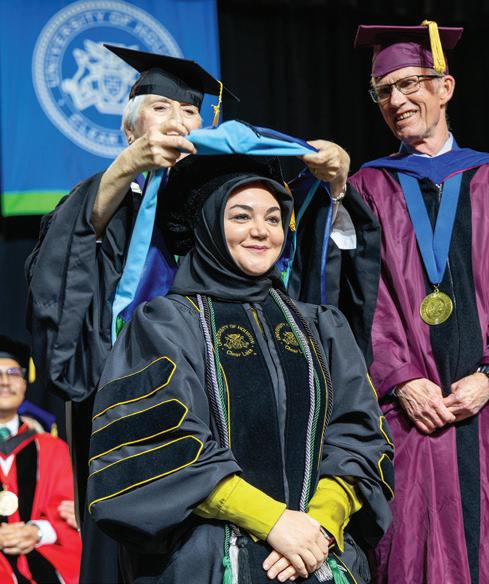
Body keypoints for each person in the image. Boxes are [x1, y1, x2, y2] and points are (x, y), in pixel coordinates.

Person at [25, 46, 349, 582]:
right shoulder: (114, 203)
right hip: (138, 424)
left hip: (233, 412)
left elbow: (296, 276)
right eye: (161, 108)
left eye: (191, 112)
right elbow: (64, 281)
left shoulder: (218, 202)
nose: (178, 122)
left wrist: (330, 187)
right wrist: (127, 167)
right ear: (130, 129)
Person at [300, 21, 489, 584]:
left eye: (409, 84)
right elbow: (357, 300)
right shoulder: (368, 188)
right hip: (410, 413)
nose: (397, 100)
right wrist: (399, 378)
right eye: (383, 91)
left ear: (445, 87)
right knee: (412, 554)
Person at [86, 155, 393, 583]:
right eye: (241, 216)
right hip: (209, 561)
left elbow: (358, 436)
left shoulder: (320, 326)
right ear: (208, 226)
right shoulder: (166, 325)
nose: (261, 231)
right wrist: (273, 521)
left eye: (273, 218)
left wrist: (319, 525)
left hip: (315, 558)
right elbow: (160, 448)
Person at [0, 336, 81, 584]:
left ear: (25, 383)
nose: (5, 381)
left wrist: (37, 531)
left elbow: (66, 514)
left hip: (39, 560)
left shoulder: (52, 448)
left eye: (13, 373)